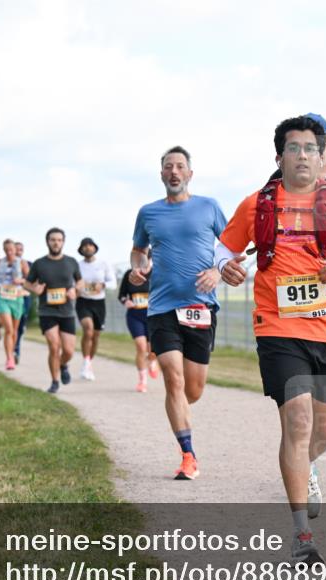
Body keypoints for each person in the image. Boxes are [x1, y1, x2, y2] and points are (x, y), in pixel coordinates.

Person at [216, 116, 326, 564]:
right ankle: (302, 535)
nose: (303, 156)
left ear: (322, 156)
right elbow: (224, 249)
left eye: (311, 148)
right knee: (297, 420)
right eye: (294, 148)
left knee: (324, 429)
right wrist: (225, 267)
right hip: (278, 328)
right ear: (279, 157)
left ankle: (307, 466)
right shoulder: (257, 204)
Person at [129, 145, 228, 480]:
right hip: (162, 308)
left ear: (189, 173)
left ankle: (181, 409)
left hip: (201, 308)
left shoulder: (209, 207)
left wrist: (217, 271)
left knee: (192, 390)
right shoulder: (148, 213)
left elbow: (230, 248)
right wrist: (138, 269)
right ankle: (188, 455)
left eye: (180, 166)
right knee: (173, 379)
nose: (174, 171)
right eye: (168, 166)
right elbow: (138, 251)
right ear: (161, 175)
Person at [24, 228, 83, 393]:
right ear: (47, 241)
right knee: (54, 346)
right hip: (47, 311)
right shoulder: (39, 263)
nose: (56, 242)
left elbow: (80, 282)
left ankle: (63, 364)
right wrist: (35, 288)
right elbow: (27, 283)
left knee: (69, 350)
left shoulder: (71, 262)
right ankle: (55, 381)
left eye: (59, 240)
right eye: (52, 240)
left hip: (67, 312)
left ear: (63, 242)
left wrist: (75, 291)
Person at [76, 237, 117, 381]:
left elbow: (113, 282)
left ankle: (89, 363)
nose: (87, 248)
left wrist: (103, 285)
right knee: (88, 329)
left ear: (95, 248)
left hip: (99, 303)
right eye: (84, 246)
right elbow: (71, 281)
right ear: (81, 250)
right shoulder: (78, 265)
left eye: (90, 245)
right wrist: (77, 287)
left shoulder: (103, 264)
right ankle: (85, 362)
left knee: (95, 335)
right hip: (83, 301)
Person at [118, 263, 160, 392]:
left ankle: (152, 361)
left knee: (153, 350)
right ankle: (142, 381)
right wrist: (126, 301)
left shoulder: (158, 273)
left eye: (146, 258)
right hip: (135, 316)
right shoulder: (130, 274)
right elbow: (122, 295)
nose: (143, 261)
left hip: (153, 316)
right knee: (141, 347)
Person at [0, 240, 27, 369]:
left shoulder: (22, 262)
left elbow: (31, 278)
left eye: (11, 249)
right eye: (7, 250)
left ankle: (12, 351)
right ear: (4, 250)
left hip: (16, 298)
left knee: (14, 331)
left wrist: (20, 280)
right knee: (9, 329)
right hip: (2, 297)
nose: (9, 252)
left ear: (15, 250)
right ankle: (9, 359)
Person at [12, 241, 32, 363]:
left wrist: (22, 281)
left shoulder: (29, 264)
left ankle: (16, 349)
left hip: (24, 296)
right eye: (16, 249)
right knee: (14, 326)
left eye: (21, 249)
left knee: (20, 325)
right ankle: (15, 350)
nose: (19, 251)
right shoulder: (7, 264)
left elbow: (33, 280)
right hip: (10, 297)